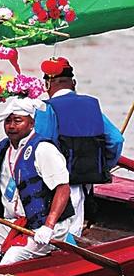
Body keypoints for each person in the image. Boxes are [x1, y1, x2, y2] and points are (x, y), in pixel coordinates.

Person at [0, 98, 75, 267]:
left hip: (44, 225)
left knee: (12, 258)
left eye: (18, 121)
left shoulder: (44, 149)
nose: (11, 126)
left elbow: (63, 189)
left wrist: (48, 226)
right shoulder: (2, 149)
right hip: (14, 223)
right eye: (8, 121)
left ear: (31, 123)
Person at [33, 56, 124, 237]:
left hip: (58, 183)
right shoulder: (92, 105)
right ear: (73, 82)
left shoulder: (46, 108)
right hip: (86, 181)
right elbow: (116, 140)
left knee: (58, 231)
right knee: (74, 227)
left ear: (47, 85)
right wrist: (103, 165)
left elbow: (40, 146)